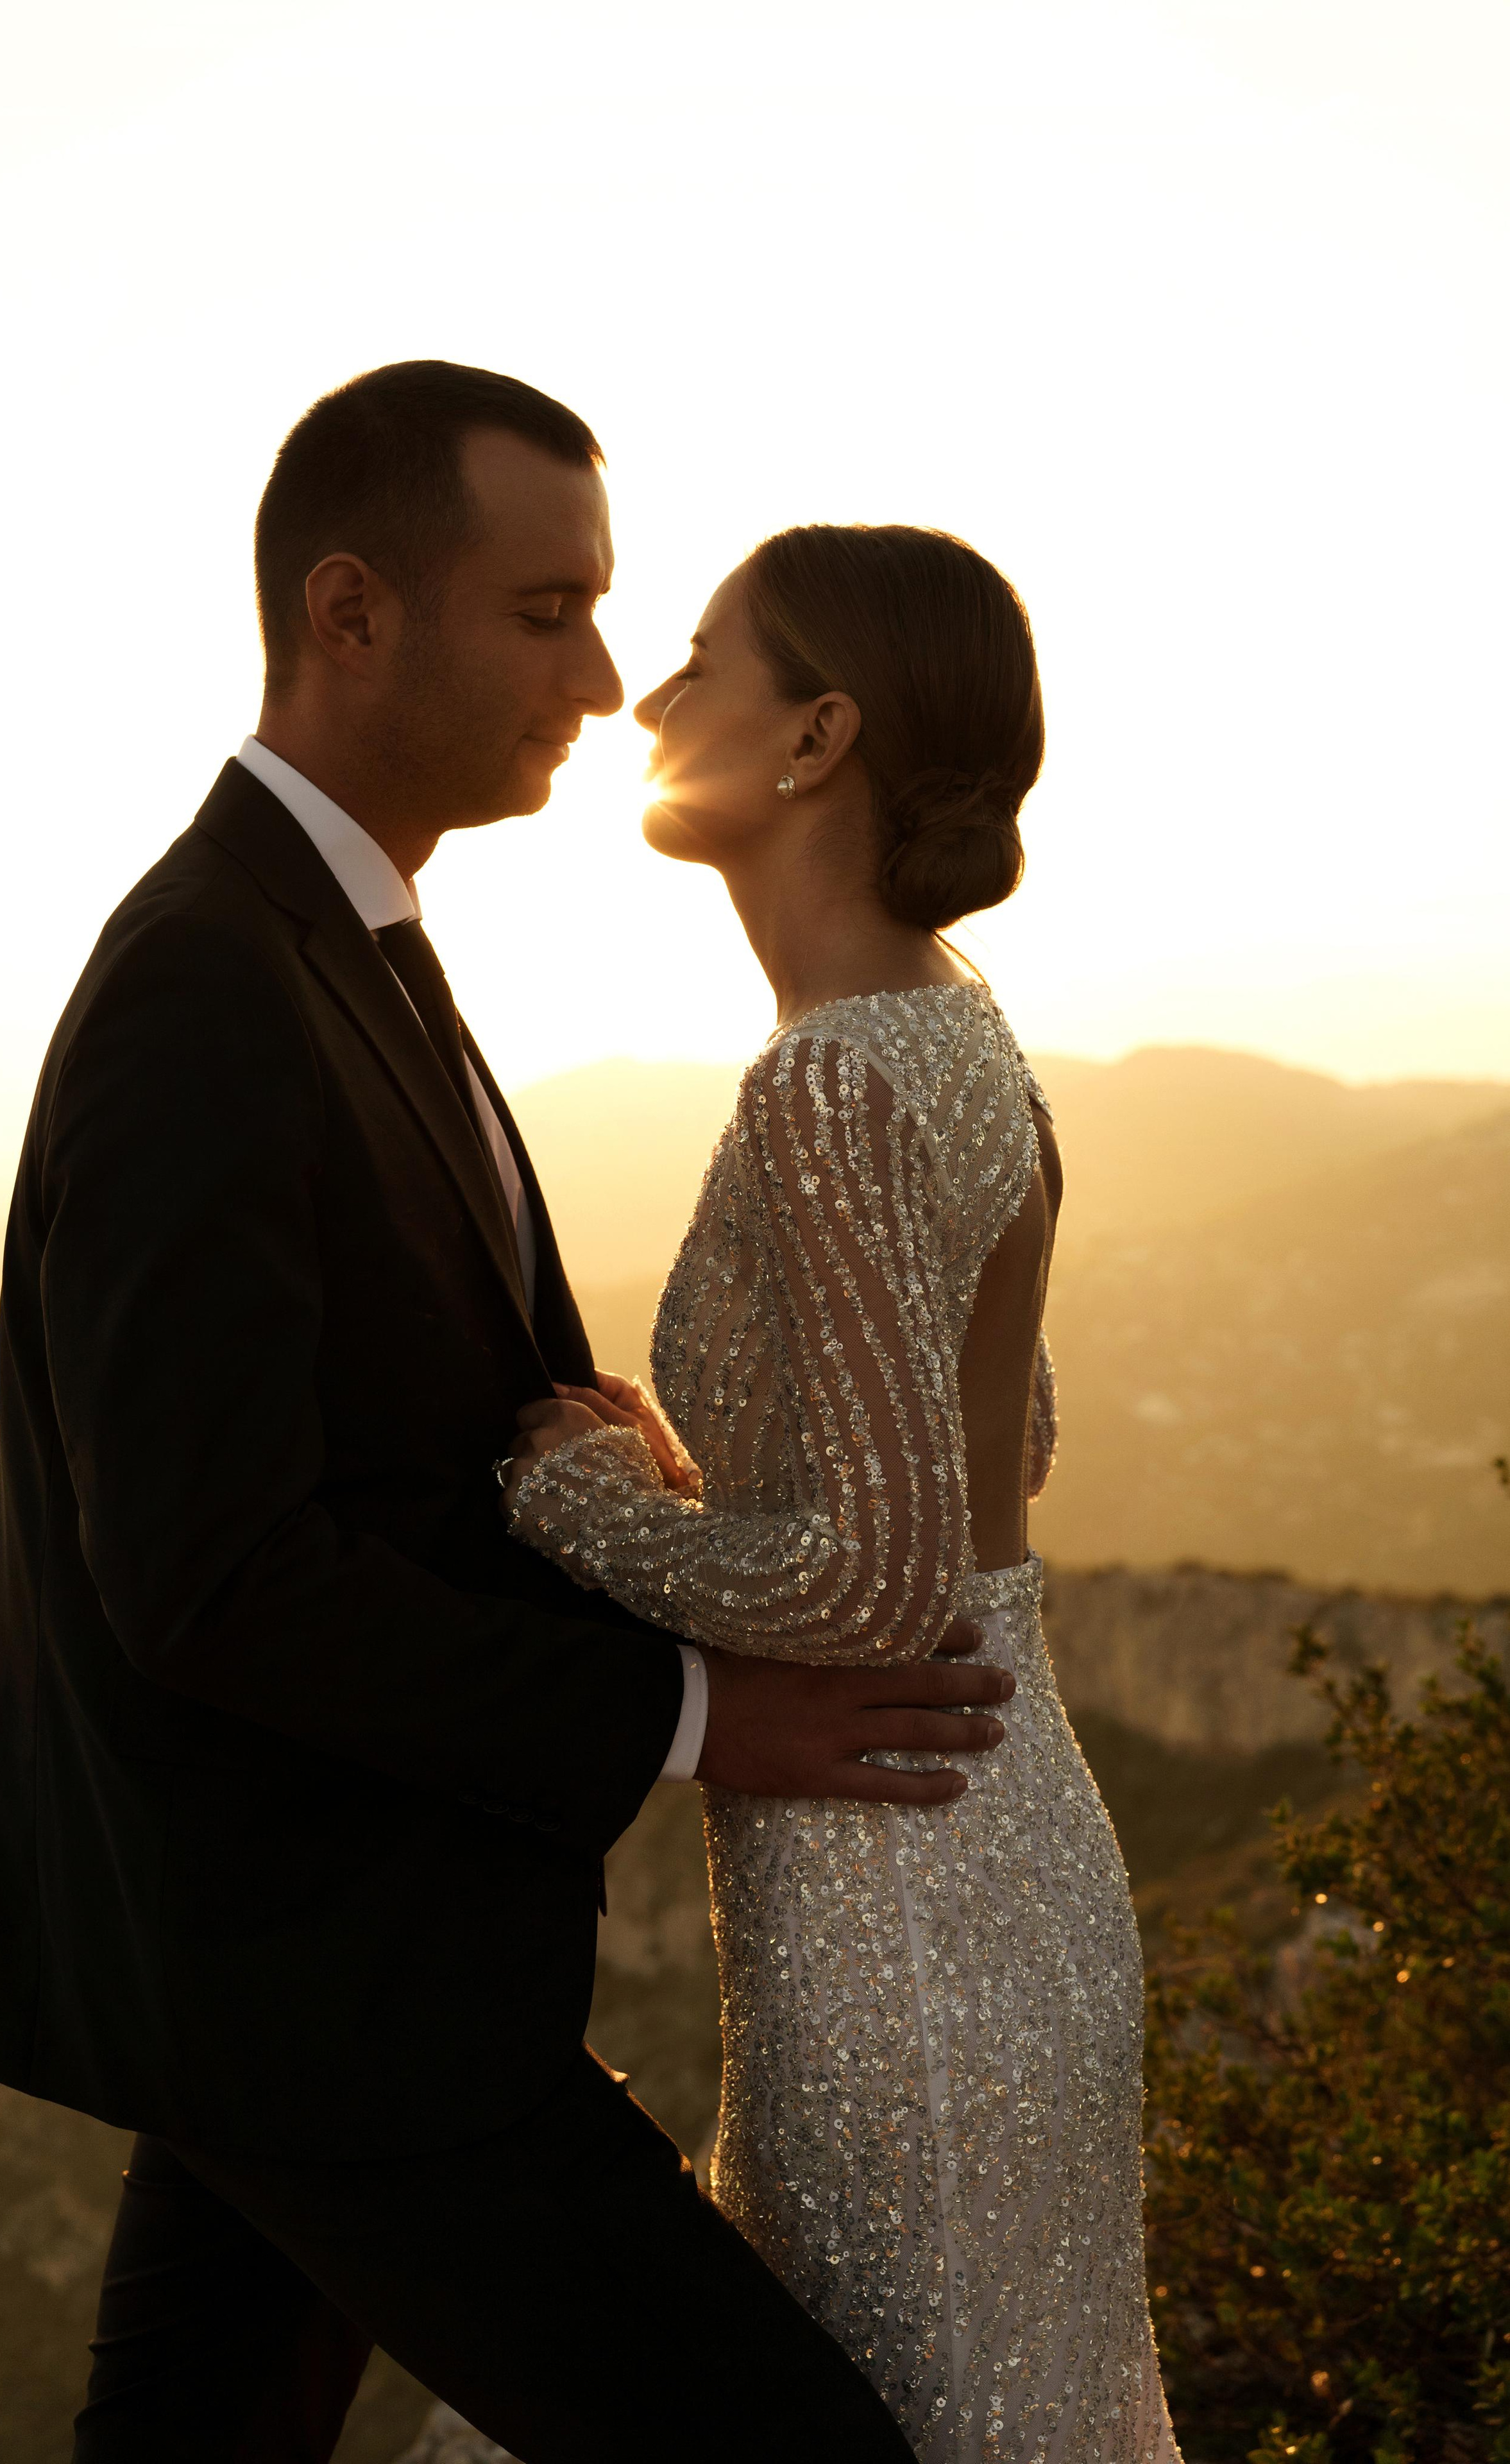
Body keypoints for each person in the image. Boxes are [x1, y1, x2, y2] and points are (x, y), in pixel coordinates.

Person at [0, 361, 1019, 2463]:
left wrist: (650, 1509)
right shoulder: (207, 981)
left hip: (302, 1973)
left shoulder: (344, 940)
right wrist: (696, 1713)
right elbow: (212, 1576)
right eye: (547, 614)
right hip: (325, 1995)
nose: (605, 682)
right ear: (351, 613)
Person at [502, 524, 1182, 2458]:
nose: (651, 695)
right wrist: (697, 1474)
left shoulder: (825, 1082)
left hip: (897, 1882)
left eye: (703, 659)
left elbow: (880, 1583)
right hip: (1008, 1839)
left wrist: (576, 1499)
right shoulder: (962, 1028)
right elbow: (997, 1456)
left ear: (818, 738)